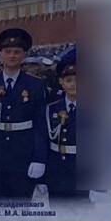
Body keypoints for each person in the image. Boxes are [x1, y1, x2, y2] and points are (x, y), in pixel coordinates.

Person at [0, 26, 48, 202]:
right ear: (0, 54)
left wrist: (39, 158)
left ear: (24, 55)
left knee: (21, 205)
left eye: (17, 52)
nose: (12, 56)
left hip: (23, 152)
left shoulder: (36, 85)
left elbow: (40, 125)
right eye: (7, 51)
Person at [42, 48, 84, 203]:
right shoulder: (51, 109)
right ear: (61, 82)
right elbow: (45, 142)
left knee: (84, 217)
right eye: (69, 80)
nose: (74, 84)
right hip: (57, 171)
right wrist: (43, 178)